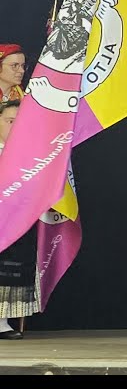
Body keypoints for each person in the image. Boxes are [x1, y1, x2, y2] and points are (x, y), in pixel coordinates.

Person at [0, 99, 36, 340]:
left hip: (14, 221)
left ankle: (1, 320)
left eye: (19, 122)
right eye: (9, 121)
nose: (14, 127)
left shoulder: (30, 156)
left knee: (6, 272)